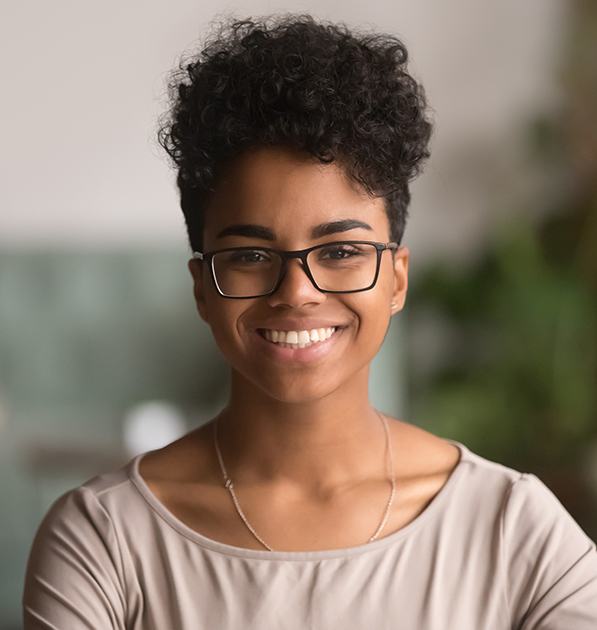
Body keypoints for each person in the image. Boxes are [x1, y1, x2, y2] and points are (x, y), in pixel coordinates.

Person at [22, 13, 597, 629]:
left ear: (397, 278)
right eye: (249, 255)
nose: (296, 292)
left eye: (342, 251)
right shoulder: (103, 542)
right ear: (201, 290)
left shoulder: (513, 531)